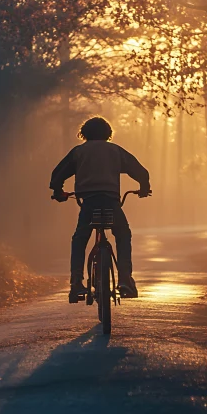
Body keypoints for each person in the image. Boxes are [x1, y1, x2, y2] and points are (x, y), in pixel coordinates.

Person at [50, 116, 151, 300]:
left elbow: (58, 174)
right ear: (108, 134)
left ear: (84, 133)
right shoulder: (115, 151)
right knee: (122, 234)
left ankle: (76, 283)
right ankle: (125, 279)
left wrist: (58, 191)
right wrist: (144, 187)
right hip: (111, 202)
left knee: (80, 238)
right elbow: (139, 171)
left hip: (88, 203)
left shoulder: (79, 152)